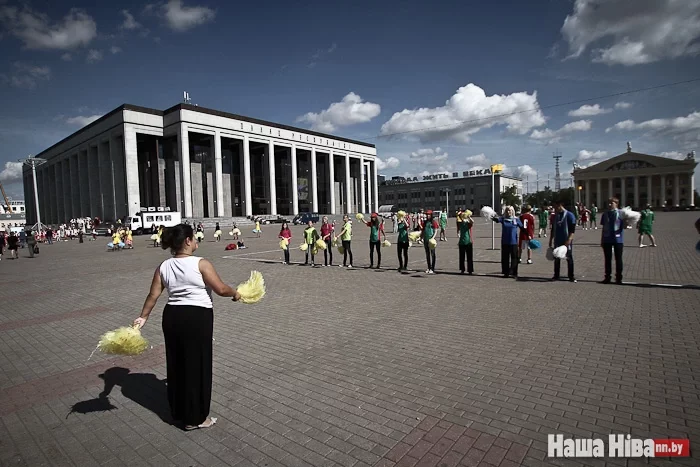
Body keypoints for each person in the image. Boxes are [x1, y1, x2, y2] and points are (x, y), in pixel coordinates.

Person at [133, 224, 241, 430]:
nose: (197, 241)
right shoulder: (201, 263)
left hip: (172, 316)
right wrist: (236, 293)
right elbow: (220, 289)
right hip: (196, 316)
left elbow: (153, 295)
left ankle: (179, 412)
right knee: (197, 365)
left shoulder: (163, 266)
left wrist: (143, 317)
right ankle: (197, 418)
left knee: (177, 363)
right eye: (194, 238)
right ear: (188, 241)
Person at [549, 200, 577, 283]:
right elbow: (553, 229)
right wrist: (551, 239)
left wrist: (569, 240)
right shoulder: (555, 216)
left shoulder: (569, 215)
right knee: (557, 257)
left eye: (555, 206)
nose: (554, 208)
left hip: (566, 240)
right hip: (558, 240)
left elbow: (572, 230)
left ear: (560, 205)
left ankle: (571, 276)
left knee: (569, 258)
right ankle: (556, 275)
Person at [492, 206, 523, 278]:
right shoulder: (503, 219)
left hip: (514, 242)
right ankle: (506, 272)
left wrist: (528, 236)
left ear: (513, 211)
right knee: (505, 258)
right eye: (507, 210)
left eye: (510, 210)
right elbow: (496, 220)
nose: (509, 212)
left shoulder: (516, 219)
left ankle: (514, 273)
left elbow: (522, 228)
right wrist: (489, 215)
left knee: (514, 258)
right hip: (505, 242)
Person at [600, 197, 624, 284]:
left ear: (616, 204)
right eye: (609, 203)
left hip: (618, 240)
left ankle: (618, 278)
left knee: (618, 259)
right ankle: (607, 277)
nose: (609, 204)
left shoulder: (621, 213)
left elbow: (625, 226)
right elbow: (603, 227)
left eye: (612, 203)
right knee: (607, 259)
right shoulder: (605, 214)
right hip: (607, 239)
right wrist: (602, 240)